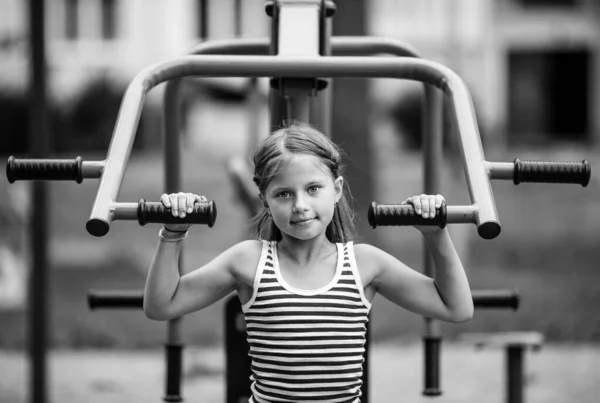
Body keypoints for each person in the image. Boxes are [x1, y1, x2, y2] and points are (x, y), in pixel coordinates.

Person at [143, 123, 473, 403]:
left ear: (337, 189)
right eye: (284, 194)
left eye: (313, 188)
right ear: (265, 200)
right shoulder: (249, 261)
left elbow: (457, 308)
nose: (300, 205)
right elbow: (161, 306)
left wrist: (436, 235)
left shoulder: (364, 264)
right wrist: (173, 233)